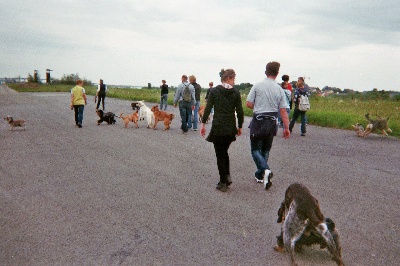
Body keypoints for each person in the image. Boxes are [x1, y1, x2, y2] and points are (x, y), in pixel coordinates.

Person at [246, 62, 290, 190]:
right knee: (265, 149)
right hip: (272, 121)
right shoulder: (279, 89)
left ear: (266, 72)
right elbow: (283, 111)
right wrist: (286, 128)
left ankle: (265, 169)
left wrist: (258, 106)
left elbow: (248, 103)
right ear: (277, 74)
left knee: (255, 149)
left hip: (259, 120)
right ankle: (260, 175)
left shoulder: (257, 85)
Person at [200, 69, 244, 192]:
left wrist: (203, 124)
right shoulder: (236, 92)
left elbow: (208, 108)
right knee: (224, 152)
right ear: (228, 79)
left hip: (218, 126)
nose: (234, 81)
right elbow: (240, 111)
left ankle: (223, 181)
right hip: (230, 127)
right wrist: (239, 126)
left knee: (220, 154)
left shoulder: (214, 91)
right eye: (233, 79)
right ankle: (227, 176)